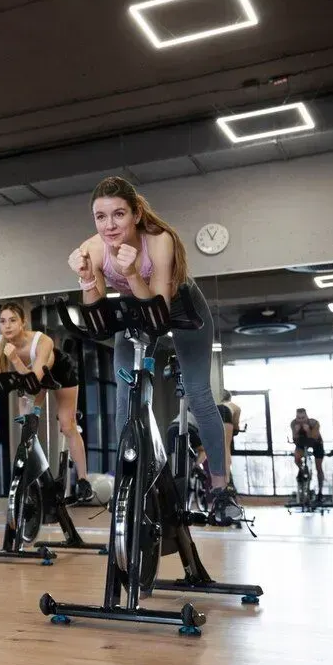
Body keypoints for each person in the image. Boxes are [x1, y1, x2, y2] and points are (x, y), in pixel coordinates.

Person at [67, 176, 243, 526]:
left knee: (198, 393)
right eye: (100, 217)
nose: (109, 225)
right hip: (135, 308)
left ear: (135, 214)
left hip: (179, 309)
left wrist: (131, 271)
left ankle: (221, 490)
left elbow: (159, 312)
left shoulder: (159, 241)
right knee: (125, 392)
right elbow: (98, 313)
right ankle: (130, 484)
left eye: (118, 215)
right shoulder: (95, 247)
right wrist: (87, 277)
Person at [0, 301, 90, 500]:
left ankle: (84, 480)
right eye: (2, 321)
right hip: (31, 377)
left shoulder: (43, 342)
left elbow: (34, 383)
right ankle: (36, 479)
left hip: (58, 372)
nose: (7, 326)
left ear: (23, 322)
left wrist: (15, 359)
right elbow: (0, 382)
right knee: (27, 424)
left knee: (67, 425)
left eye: (13, 320)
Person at [290, 408, 326, 498]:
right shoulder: (294, 424)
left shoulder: (314, 423)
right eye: (299, 418)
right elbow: (294, 439)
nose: (301, 420)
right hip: (301, 443)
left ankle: (320, 491)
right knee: (297, 459)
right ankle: (303, 471)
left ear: (307, 417)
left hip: (316, 442)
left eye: (303, 418)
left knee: (319, 467)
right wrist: (297, 431)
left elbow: (314, 437)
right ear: (296, 417)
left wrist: (308, 430)